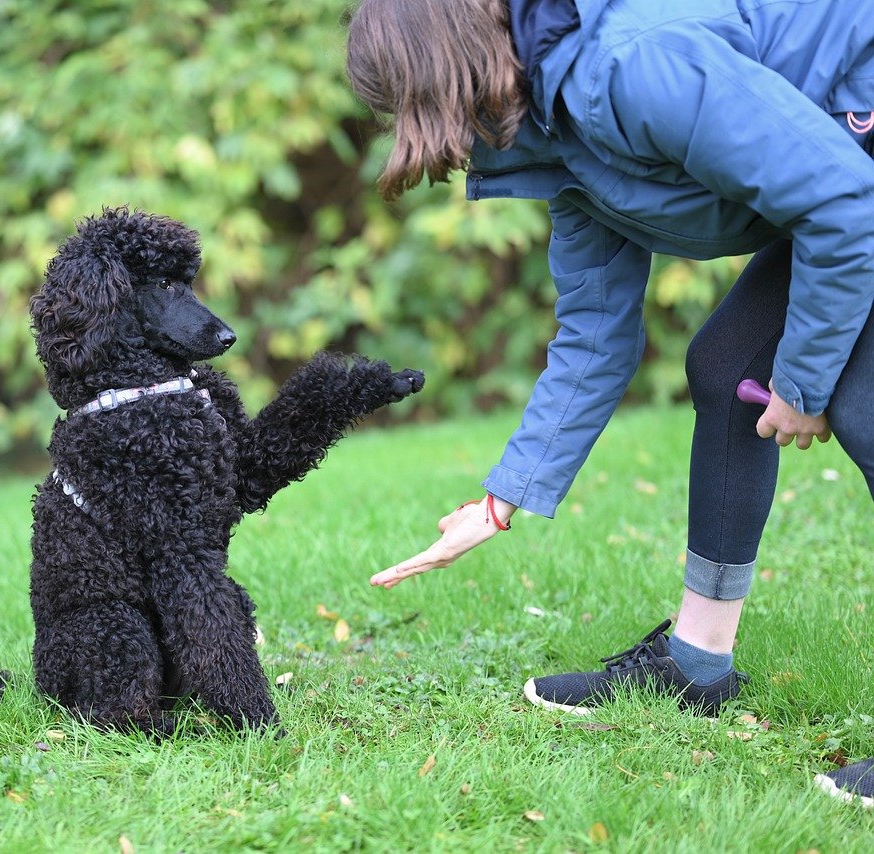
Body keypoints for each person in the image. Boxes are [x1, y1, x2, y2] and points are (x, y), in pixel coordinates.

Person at [346, 0, 873, 808]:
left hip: (856, 164)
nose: (402, 128)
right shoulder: (558, 130)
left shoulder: (632, 66)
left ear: (435, 78)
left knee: (863, 408)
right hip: (845, 182)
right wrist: (499, 501)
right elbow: (595, 334)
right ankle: (697, 667)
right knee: (728, 370)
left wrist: (803, 385)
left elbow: (843, 204)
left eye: (398, 105)